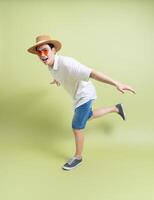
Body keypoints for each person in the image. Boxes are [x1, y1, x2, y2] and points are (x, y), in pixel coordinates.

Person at [27, 35, 135, 171]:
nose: (42, 55)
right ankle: (116, 108)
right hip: (79, 97)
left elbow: (92, 73)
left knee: (77, 126)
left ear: (53, 50)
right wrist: (57, 79)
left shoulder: (67, 63)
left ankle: (78, 158)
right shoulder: (51, 65)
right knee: (88, 116)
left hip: (84, 96)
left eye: (45, 50)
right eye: (39, 52)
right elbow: (58, 73)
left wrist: (117, 83)